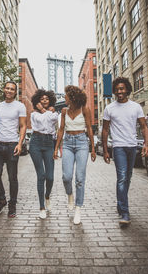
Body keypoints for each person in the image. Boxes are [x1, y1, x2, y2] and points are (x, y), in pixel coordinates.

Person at [102, 77, 148, 225]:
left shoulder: (136, 107)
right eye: (117, 89)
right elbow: (104, 130)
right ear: (114, 91)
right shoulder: (109, 108)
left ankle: (120, 203)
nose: (119, 91)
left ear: (127, 89)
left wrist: (146, 144)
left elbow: (143, 126)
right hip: (118, 147)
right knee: (122, 177)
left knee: (128, 178)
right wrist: (105, 150)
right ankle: (124, 212)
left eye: (122, 89)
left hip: (132, 146)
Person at [54, 85, 96, 225]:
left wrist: (93, 148)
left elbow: (89, 128)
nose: (63, 98)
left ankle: (78, 208)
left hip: (82, 143)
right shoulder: (64, 111)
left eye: (65, 96)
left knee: (79, 178)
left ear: (71, 97)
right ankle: (70, 195)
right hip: (67, 143)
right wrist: (56, 148)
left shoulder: (85, 110)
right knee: (66, 177)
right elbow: (61, 130)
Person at [0, 81, 27, 218]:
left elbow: (23, 126)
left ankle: (12, 204)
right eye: (7, 88)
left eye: (12, 89)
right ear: (4, 89)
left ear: (15, 92)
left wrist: (20, 143)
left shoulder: (20, 106)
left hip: (12, 145)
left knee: (12, 177)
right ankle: (1, 200)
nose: (9, 90)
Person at [29, 89, 58, 219]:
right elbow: (40, 120)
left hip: (48, 143)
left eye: (47, 98)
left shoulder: (54, 114)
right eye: (42, 99)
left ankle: (47, 196)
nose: (45, 100)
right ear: (37, 102)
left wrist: (44, 111)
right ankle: (41, 207)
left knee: (50, 177)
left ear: (50, 100)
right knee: (41, 176)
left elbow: (52, 118)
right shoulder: (33, 114)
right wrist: (43, 111)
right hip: (35, 142)